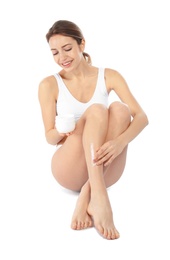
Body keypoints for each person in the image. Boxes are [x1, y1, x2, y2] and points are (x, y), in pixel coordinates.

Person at [38, 20, 149, 240]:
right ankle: (100, 198)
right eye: (55, 53)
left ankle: (88, 194)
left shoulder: (109, 76)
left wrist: (120, 142)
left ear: (82, 44)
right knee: (98, 110)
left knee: (119, 109)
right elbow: (50, 137)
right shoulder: (49, 85)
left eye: (67, 48)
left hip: (106, 167)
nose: (62, 57)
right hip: (68, 168)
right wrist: (63, 132)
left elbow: (142, 117)